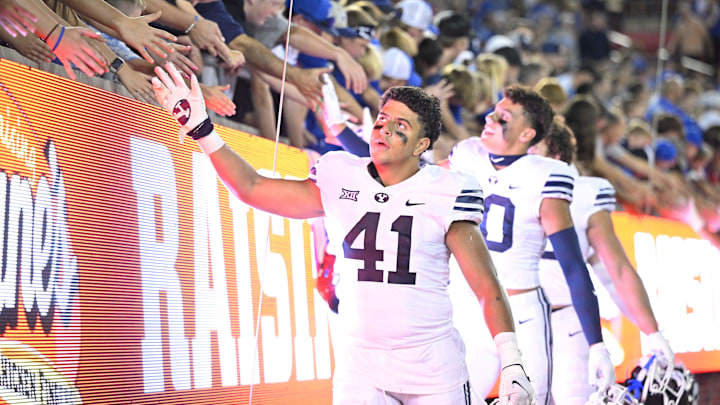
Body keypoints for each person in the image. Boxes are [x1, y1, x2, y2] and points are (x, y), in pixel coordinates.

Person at [151, 62, 535, 405]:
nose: (384, 129)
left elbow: (487, 285)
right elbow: (252, 188)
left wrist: (513, 360)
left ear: (422, 145)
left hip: (431, 363)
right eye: (382, 120)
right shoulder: (340, 173)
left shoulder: (448, 190)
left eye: (401, 126)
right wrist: (202, 131)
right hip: (361, 362)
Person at [441, 85, 614, 404]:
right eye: (493, 111)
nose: (490, 118)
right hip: (469, 307)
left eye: (503, 116)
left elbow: (574, 266)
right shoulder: (467, 154)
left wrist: (596, 344)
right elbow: (412, 182)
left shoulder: (546, 175)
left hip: (521, 316)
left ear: (526, 134)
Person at [530, 120, 674, 404]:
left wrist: (652, 331)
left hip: (565, 320)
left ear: (556, 153)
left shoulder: (583, 193)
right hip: (512, 321)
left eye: (536, 146)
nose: (527, 153)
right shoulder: (499, 181)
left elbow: (615, 270)